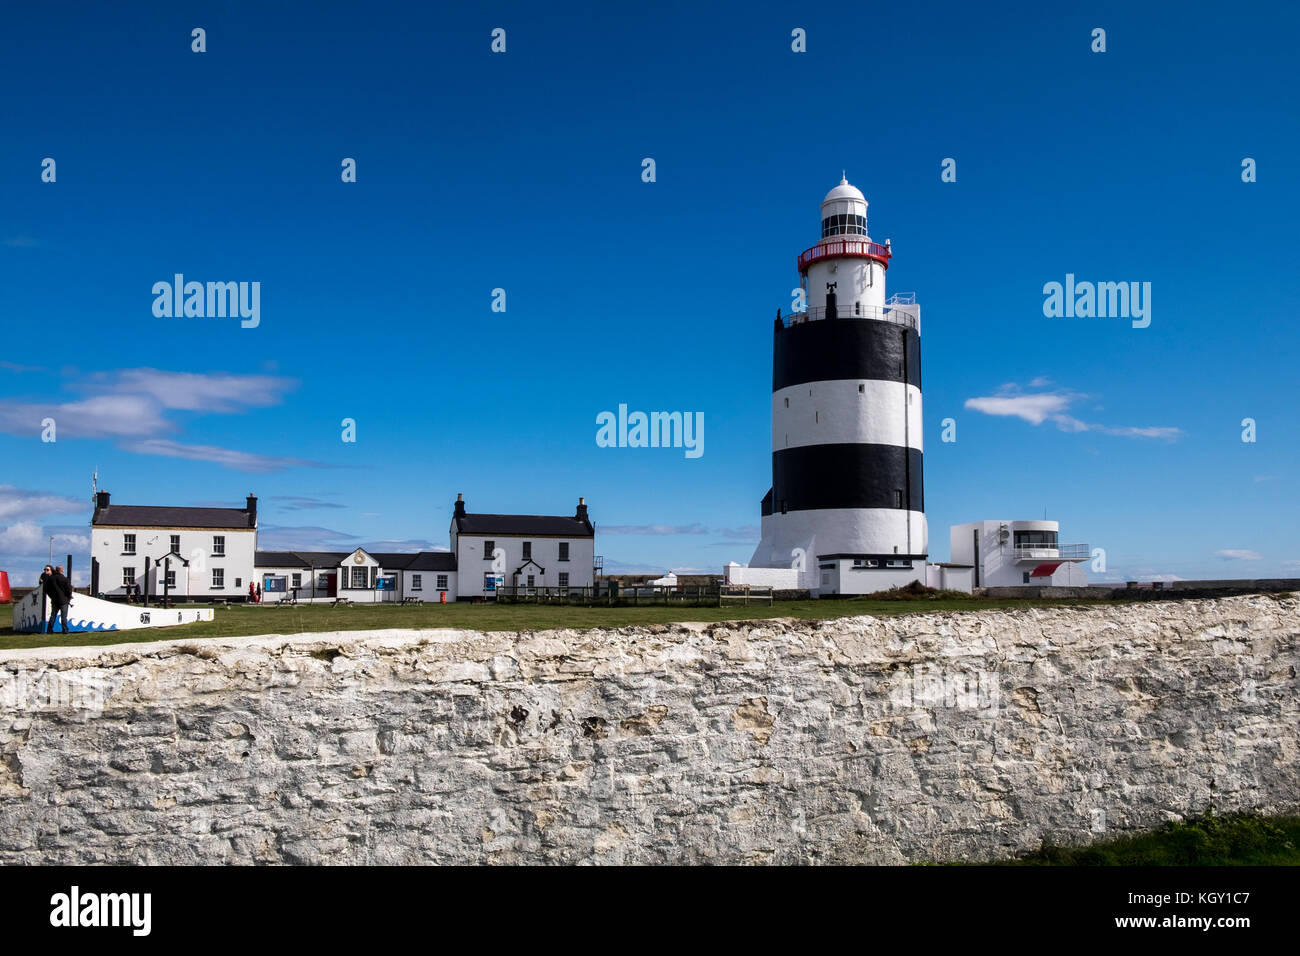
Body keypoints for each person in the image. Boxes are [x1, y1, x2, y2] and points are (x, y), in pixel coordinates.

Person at [45, 565, 73, 634]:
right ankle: (65, 630)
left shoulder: (51, 579)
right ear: (61, 570)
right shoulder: (65, 579)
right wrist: (68, 597)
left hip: (54, 600)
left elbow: (47, 590)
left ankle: (49, 630)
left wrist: (51, 596)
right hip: (63, 600)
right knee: (64, 617)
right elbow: (69, 590)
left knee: (53, 616)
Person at [38, 564, 54, 629]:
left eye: (47, 570)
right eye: (45, 569)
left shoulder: (53, 576)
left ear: (51, 570)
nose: (45, 571)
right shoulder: (43, 575)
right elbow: (40, 582)